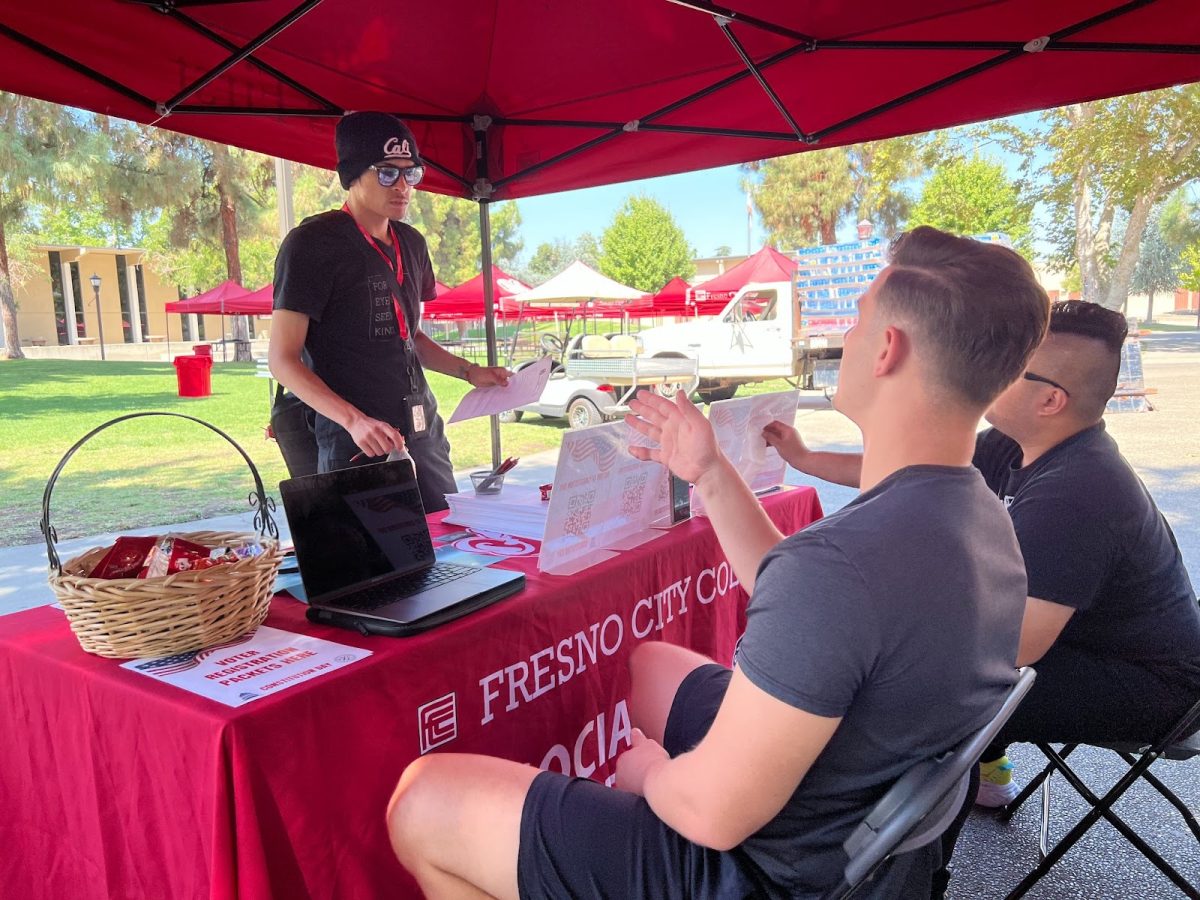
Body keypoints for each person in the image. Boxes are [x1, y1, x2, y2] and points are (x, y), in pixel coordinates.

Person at [385, 226, 1050, 899]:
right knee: (648, 665)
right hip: (856, 832)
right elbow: (808, 598)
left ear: (886, 350)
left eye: (856, 319)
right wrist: (706, 470)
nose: (844, 336)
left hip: (763, 872)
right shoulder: (979, 517)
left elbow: (710, 812)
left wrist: (648, 775)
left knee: (421, 799)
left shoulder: (842, 568)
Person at [768, 300, 1200, 891]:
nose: (995, 369)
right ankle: (952, 798)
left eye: (1015, 365)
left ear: (1051, 400)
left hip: (1153, 687)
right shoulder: (1020, 443)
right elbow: (911, 468)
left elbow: (1010, 646)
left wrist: (888, 627)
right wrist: (805, 458)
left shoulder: (1080, 489)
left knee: (936, 696)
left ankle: (904, 877)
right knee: (920, 676)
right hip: (1089, 649)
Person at [268, 111, 509, 512]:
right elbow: (282, 358)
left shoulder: (412, 243)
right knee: (377, 562)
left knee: (449, 541)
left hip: (422, 431)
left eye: (410, 173)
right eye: (386, 173)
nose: (402, 187)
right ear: (352, 175)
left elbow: (409, 335)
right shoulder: (311, 244)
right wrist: (353, 420)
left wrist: (469, 372)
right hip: (357, 441)